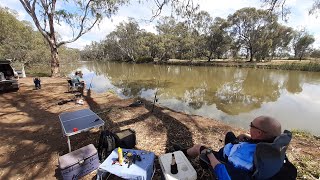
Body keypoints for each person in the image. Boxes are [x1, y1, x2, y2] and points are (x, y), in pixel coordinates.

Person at [174, 116, 282, 180]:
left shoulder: (242, 162)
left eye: (251, 125)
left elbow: (225, 175)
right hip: (236, 149)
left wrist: (209, 154)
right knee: (230, 134)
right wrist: (248, 137)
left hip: (223, 161)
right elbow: (259, 142)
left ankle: (181, 153)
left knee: (199, 147)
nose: (249, 126)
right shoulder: (273, 146)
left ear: (259, 133)